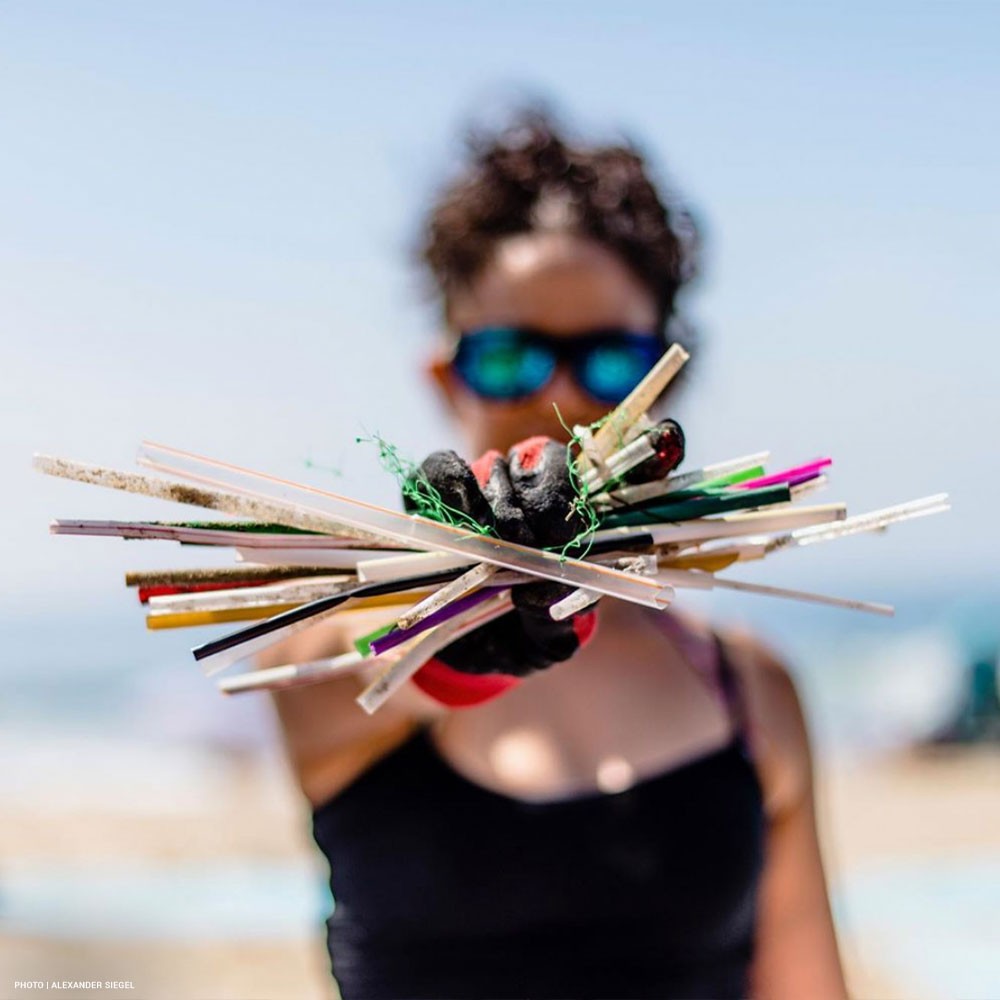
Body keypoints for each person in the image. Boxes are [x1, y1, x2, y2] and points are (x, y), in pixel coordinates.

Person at [260, 107, 848, 1000]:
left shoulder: (749, 690)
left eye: (610, 362)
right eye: (511, 359)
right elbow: (354, 666)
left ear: (666, 380)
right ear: (446, 377)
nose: (560, 399)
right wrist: (460, 635)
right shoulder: (339, 653)